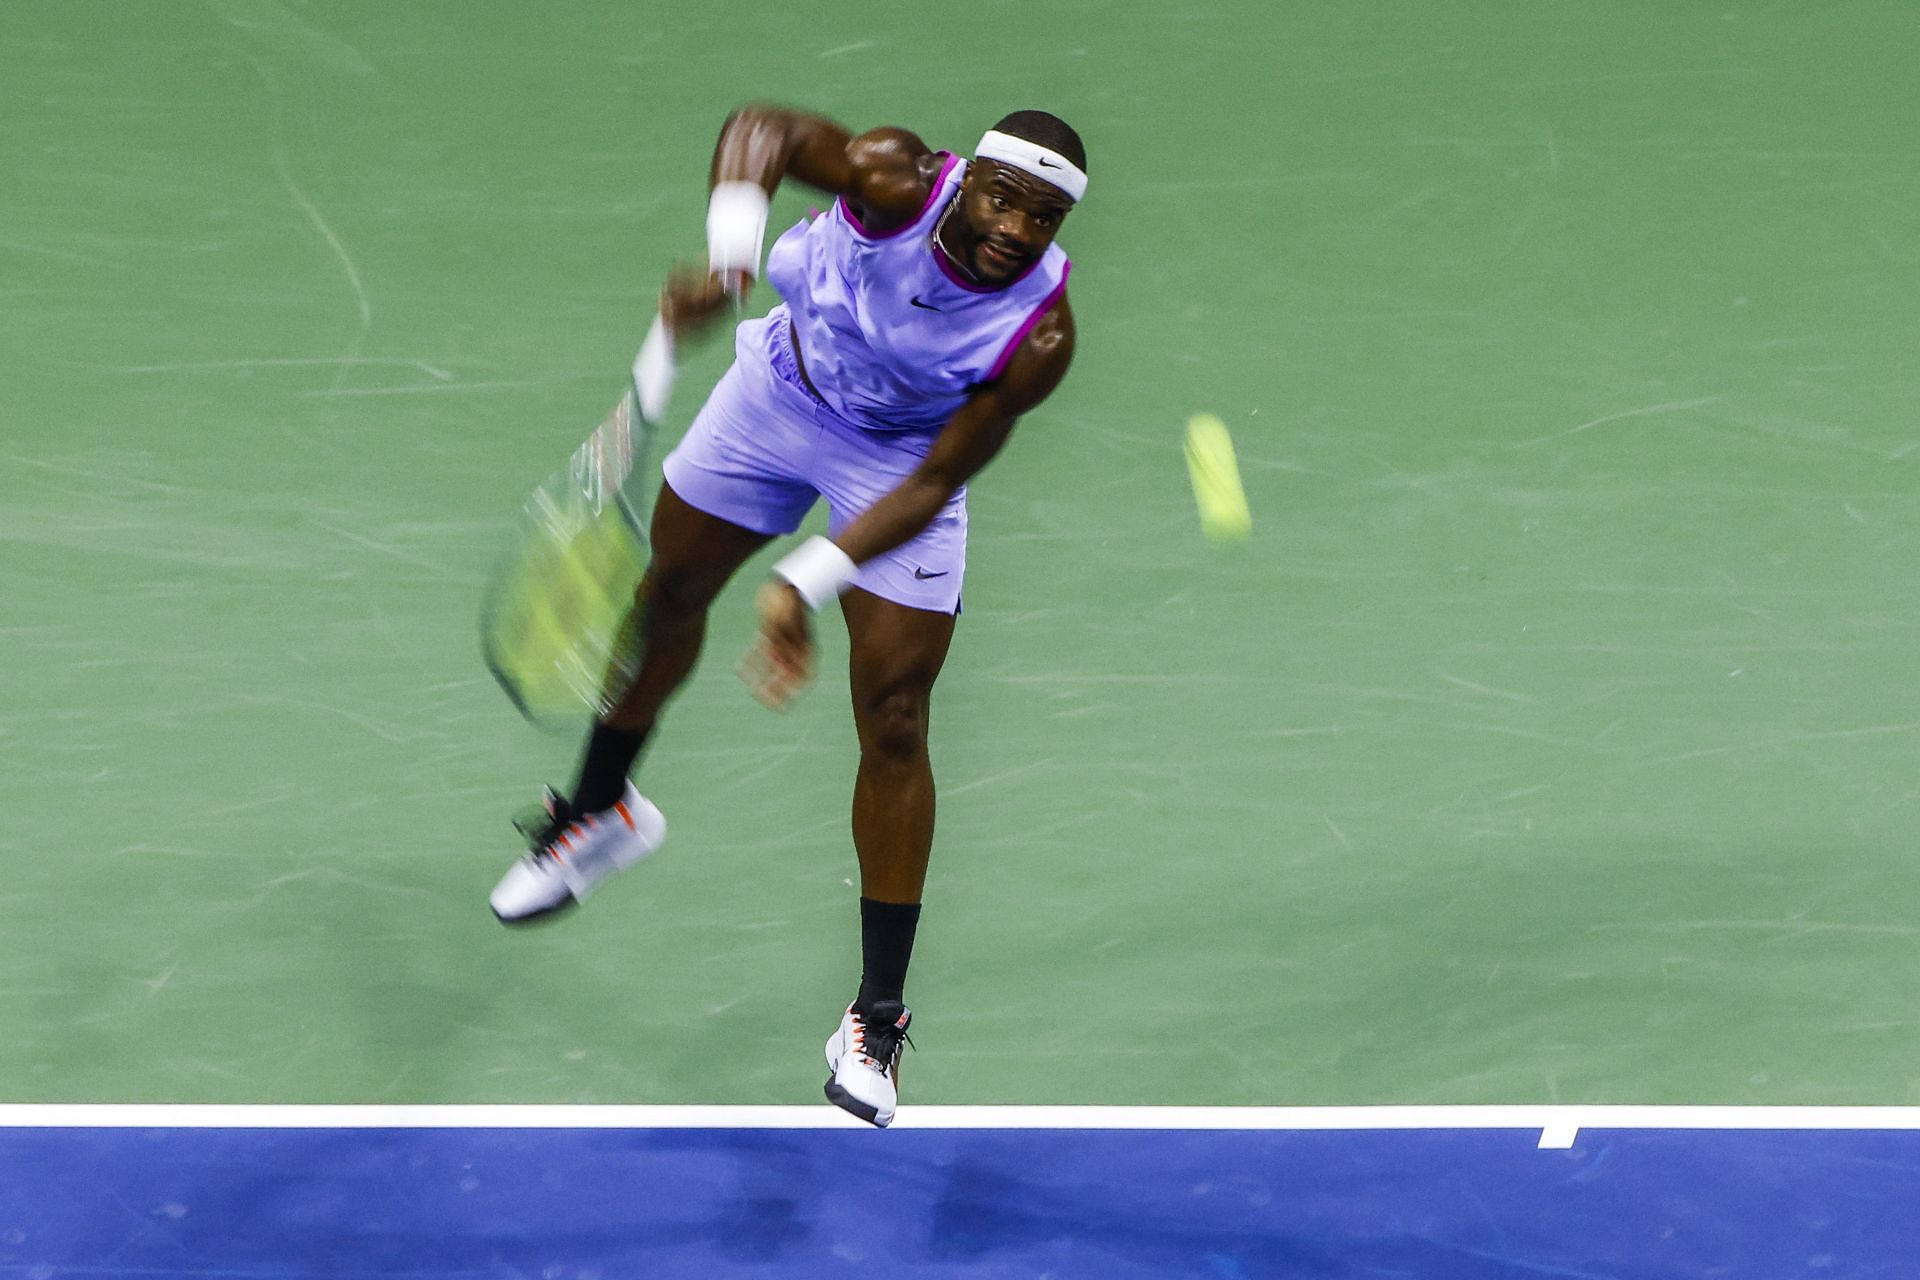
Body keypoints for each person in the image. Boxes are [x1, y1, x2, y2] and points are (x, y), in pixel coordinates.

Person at [489, 103, 1085, 1127]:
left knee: (896, 712)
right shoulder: (894, 181)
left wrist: (802, 581)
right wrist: (730, 260)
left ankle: (877, 1015)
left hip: (899, 460)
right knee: (668, 594)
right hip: (779, 395)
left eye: (1042, 217)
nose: (1015, 229)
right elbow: (760, 130)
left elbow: (937, 480)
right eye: (1004, 197)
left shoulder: (1039, 335)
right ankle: (599, 811)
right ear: (966, 176)